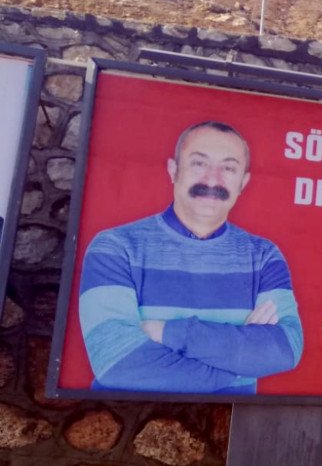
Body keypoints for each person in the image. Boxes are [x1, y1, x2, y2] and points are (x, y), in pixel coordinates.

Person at [79, 120, 303, 394]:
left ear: (243, 182)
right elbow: (118, 364)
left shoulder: (264, 256)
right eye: (199, 163)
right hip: (126, 418)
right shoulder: (115, 246)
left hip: (234, 418)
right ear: (173, 170)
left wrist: (168, 332)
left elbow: (285, 349)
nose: (212, 179)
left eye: (229, 168)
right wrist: (239, 365)